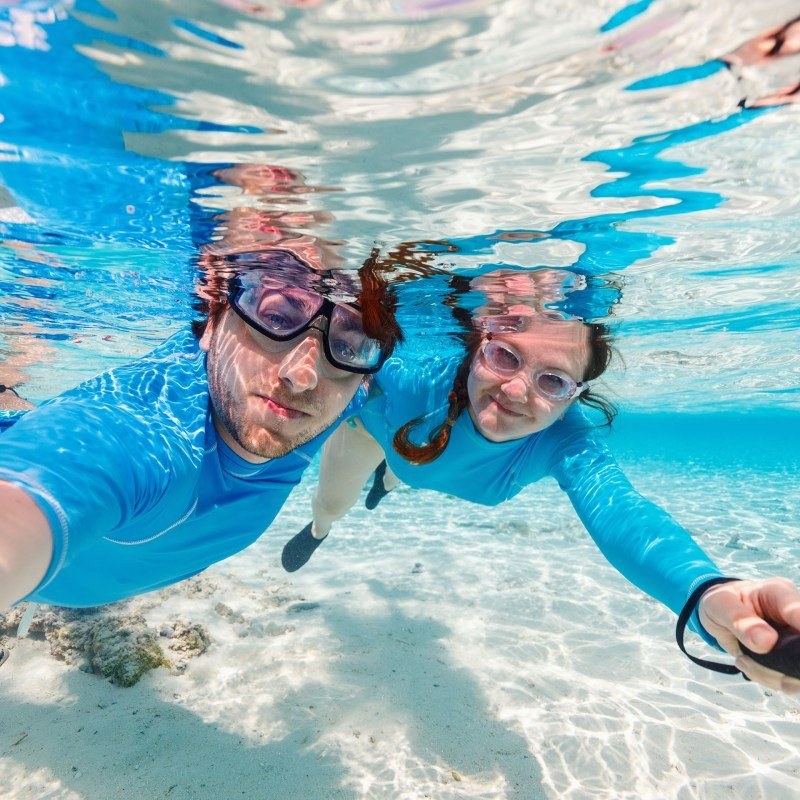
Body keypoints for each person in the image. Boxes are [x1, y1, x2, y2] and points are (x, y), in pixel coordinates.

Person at [282, 267, 800, 694]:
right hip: (374, 434)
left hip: (415, 456)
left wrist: (704, 592)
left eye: (551, 381)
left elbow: (622, 510)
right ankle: (323, 528)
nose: (514, 390)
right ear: (479, 347)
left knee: (405, 471)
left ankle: (389, 482)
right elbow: (326, 384)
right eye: (505, 356)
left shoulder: (566, 441)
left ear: (573, 395)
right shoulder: (413, 377)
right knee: (332, 503)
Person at [0, 247, 403, 618]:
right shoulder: (143, 435)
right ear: (212, 322)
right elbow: (52, 477)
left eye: (346, 348)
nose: (302, 376)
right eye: (277, 319)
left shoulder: (340, 391)